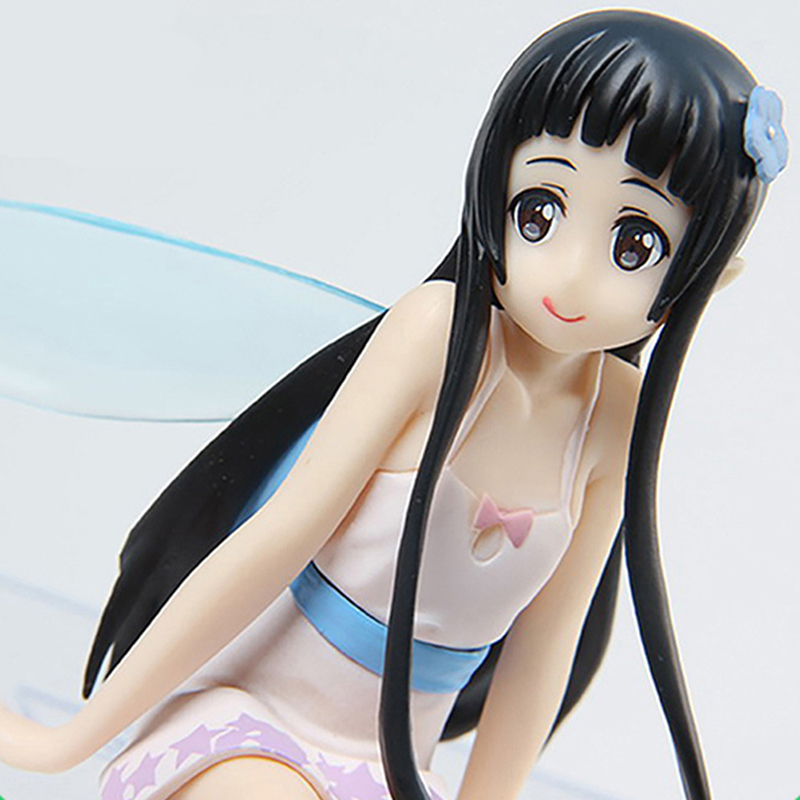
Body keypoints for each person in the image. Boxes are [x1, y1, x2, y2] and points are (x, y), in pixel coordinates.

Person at [0, 10, 787, 800]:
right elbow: (272, 542)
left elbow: (542, 655)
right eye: (541, 213)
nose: (572, 273)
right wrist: (71, 739)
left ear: (710, 273)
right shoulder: (435, 336)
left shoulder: (615, 418)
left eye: (634, 244)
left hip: (393, 771)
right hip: (248, 722)